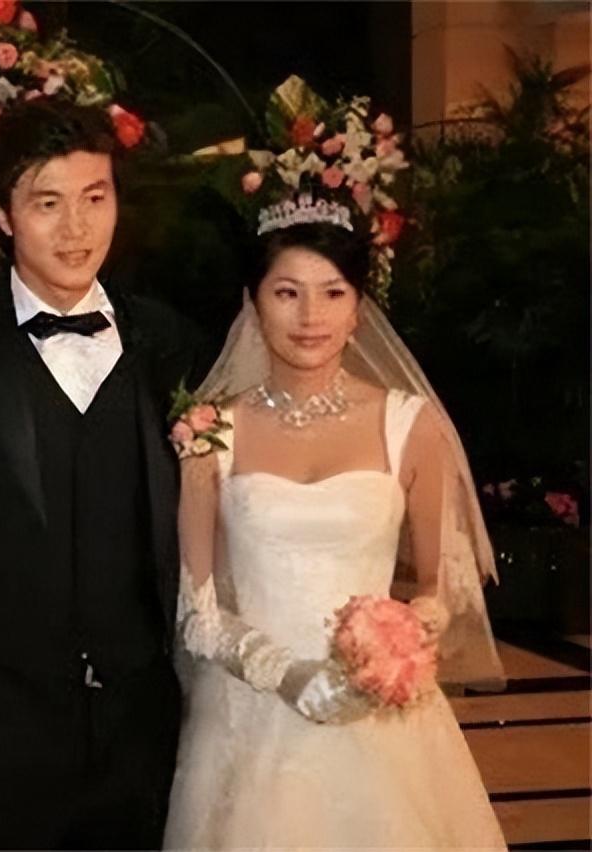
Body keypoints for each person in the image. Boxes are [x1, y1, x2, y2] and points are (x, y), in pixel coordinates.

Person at [0, 99, 205, 850]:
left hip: (140, 735)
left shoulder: (173, 344)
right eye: (47, 204)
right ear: (2, 214)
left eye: (95, 198)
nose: (76, 228)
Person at [163, 211, 507, 847]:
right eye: (286, 293)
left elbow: (436, 591)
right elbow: (199, 611)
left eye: (332, 293)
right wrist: (286, 674)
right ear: (253, 305)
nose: (310, 316)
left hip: (378, 713)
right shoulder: (211, 432)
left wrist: (393, 648)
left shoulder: (411, 425)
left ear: (358, 311)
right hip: (254, 713)